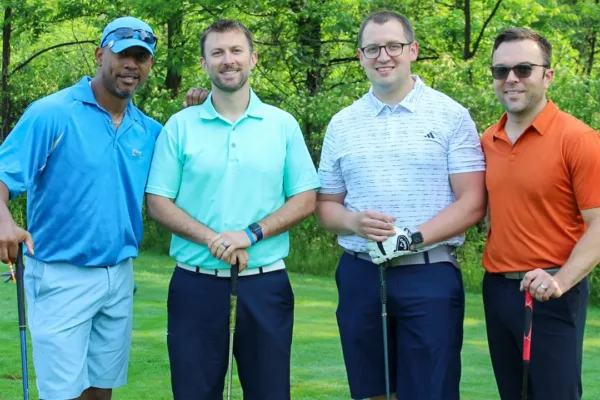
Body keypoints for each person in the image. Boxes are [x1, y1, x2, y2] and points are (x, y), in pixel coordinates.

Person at [315, 10, 486, 400]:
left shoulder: (451, 115)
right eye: (372, 48)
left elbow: (473, 201)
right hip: (360, 274)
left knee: (430, 392)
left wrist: (410, 239)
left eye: (393, 46)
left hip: (428, 274)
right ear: (360, 56)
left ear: (413, 50)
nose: (383, 56)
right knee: (371, 391)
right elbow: (326, 206)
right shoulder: (342, 123)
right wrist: (354, 221)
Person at [145, 19, 320, 400]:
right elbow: (158, 202)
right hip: (195, 286)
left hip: (266, 284)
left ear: (253, 58)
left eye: (236, 51)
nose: (228, 60)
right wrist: (215, 240)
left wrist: (250, 234)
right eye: (217, 53)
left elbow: (305, 198)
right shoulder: (180, 125)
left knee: (270, 393)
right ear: (204, 63)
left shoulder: (282, 125)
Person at [0, 16, 164, 400]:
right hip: (60, 275)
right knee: (62, 395)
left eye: (141, 57)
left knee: (100, 390)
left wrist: (199, 108)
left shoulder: (151, 131)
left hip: (119, 275)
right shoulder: (52, 113)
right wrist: (4, 220)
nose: (131, 65)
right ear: (100, 54)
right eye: (123, 54)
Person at [482, 27, 600, 400]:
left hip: (551, 291)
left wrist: (561, 281)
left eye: (523, 69)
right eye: (501, 71)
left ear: (547, 75)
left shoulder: (578, 139)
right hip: (497, 289)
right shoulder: (487, 140)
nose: (511, 79)